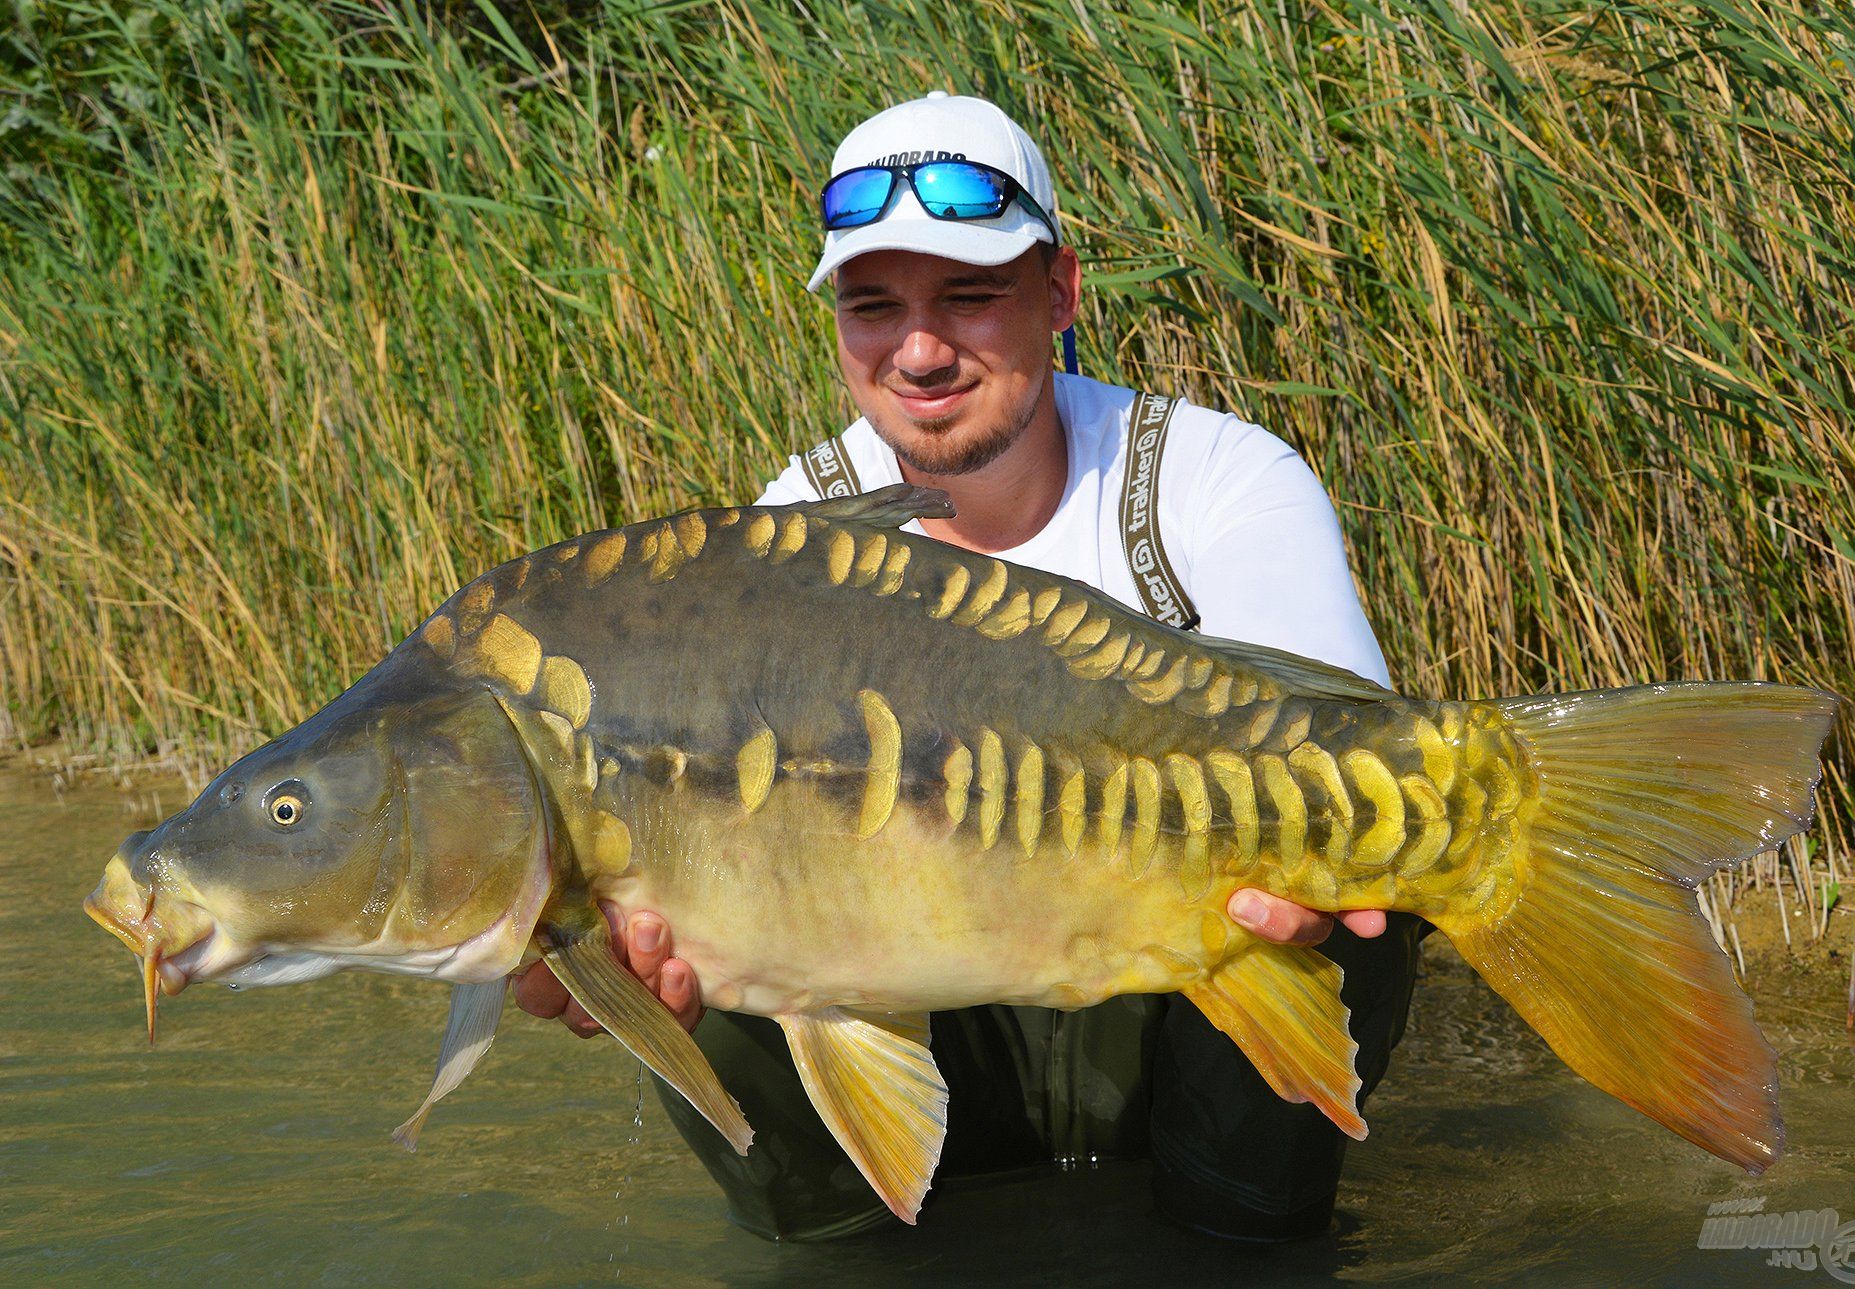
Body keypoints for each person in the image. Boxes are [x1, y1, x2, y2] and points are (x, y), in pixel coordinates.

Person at [515, 91, 1425, 1242]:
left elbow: (1350, 742)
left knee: (1370, 836)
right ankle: (865, 1252)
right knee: (685, 915)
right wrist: (596, 947)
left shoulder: (1215, 478)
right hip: (926, 988)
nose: (921, 350)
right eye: (874, 305)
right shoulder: (788, 537)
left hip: (1174, 993)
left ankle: (1239, 1233)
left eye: (972, 296)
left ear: (1061, 294)